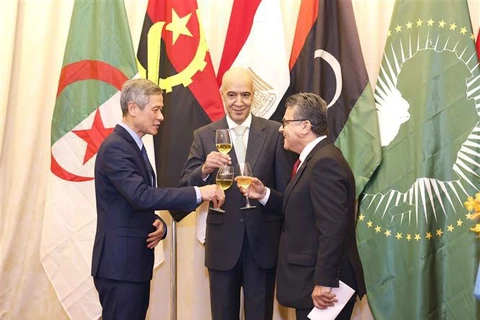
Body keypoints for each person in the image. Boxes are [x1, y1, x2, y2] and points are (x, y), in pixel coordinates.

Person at [91, 78, 224, 320]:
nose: (161, 116)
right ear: (133, 108)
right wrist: (198, 192)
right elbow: (140, 195)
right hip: (120, 267)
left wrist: (159, 226)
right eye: (156, 109)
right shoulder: (116, 148)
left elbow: (132, 203)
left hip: (132, 265)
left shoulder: (133, 146)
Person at [174, 67, 293, 320]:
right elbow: (184, 190)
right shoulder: (204, 136)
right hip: (221, 247)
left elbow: (286, 197)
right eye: (231, 95)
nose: (239, 102)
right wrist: (204, 170)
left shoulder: (274, 133)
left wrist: (263, 194)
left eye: (245, 95)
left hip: (263, 246)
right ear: (221, 95)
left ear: (254, 95)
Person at [240, 92, 366, 320]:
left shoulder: (325, 163)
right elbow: (301, 211)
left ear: (305, 126)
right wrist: (264, 195)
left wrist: (324, 282)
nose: (281, 129)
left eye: (286, 122)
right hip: (310, 281)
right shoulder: (312, 160)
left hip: (326, 286)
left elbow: (333, 228)